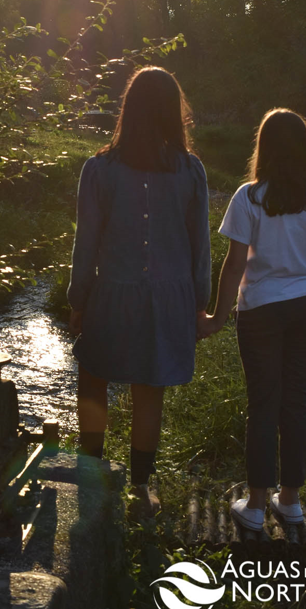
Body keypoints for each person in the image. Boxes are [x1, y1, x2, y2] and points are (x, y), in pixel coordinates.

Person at [67, 67, 210, 517]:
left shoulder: (100, 169)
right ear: (174, 112)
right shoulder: (191, 171)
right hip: (170, 298)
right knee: (149, 392)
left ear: (128, 110)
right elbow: (199, 245)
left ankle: (91, 479)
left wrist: (77, 300)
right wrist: (199, 303)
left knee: (93, 381)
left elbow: (85, 243)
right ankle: (140, 491)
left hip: (111, 294)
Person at [199, 108, 306, 531]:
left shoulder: (249, 196)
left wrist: (216, 316)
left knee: (263, 403)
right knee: (295, 403)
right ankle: (292, 501)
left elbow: (233, 266)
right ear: (305, 149)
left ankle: (258, 505)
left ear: (262, 147)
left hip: (261, 309)